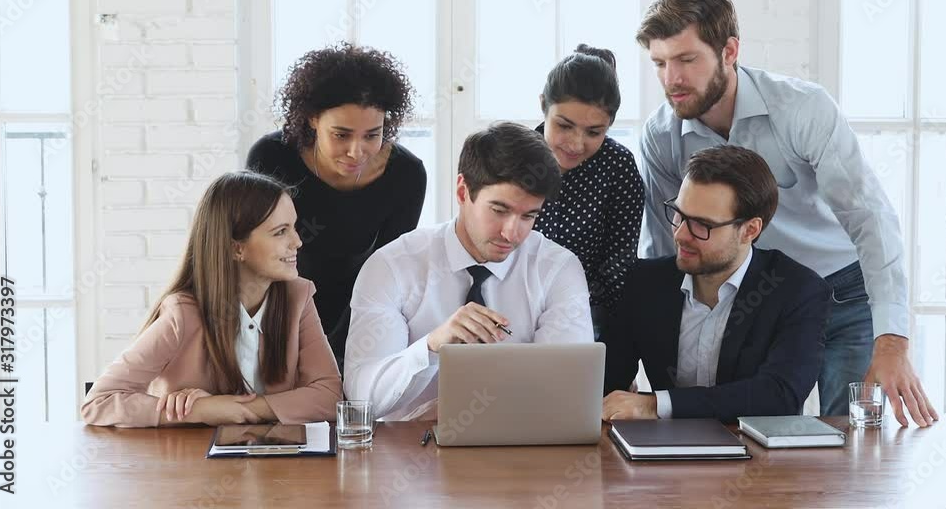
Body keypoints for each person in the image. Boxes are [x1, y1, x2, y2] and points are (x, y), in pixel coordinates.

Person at [634, 0, 937, 426]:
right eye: (659, 63)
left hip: (842, 294)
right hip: (752, 302)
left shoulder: (802, 109)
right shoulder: (661, 137)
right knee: (749, 432)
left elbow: (869, 218)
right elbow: (665, 246)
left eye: (686, 60)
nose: (670, 79)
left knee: (850, 439)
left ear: (729, 51)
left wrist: (892, 340)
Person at [344, 122, 594, 421]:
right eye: (499, 210)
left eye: (529, 216)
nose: (512, 233)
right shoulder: (393, 266)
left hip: (520, 452)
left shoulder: (558, 269)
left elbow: (568, 390)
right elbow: (361, 400)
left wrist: (469, 414)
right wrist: (431, 347)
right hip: (408, 453)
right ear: (463, 191)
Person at [82, 172, 342, 427]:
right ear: (236, 248)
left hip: (274, 463)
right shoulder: (182, 315)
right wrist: (199, 410)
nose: (297, 241)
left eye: (294, 227)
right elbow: (98, 403)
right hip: (190, 464)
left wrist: (236, 409)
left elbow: (330, 395)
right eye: (280, 232)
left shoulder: (298, 297)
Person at [603, 146, 829, 422]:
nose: (681, 235)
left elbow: (778, 395)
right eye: (679, 214)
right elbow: (607, 383)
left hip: (759, 458)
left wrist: (655, 405)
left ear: (749, 230)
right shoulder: (644, 283)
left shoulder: (798, 290)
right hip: (661, 454)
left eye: (701, 225)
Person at [248, 42, 427, 365]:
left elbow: (388, 270)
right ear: (313, 119)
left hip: (361, 314)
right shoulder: (272, 158)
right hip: (275, 308)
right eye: (341, 135)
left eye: (372, 135)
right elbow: (256, 256)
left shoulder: (406, 175)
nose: (357, 151)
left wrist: (338, 349)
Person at [534, 44, 644, 339]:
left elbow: (620, 261)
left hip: (591, 313)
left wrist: (574, 311)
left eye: (594, 132)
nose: (576, 143)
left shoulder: (619, 166)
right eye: (564, 126)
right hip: (513, 308)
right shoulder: (513, 159)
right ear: (544, 104)